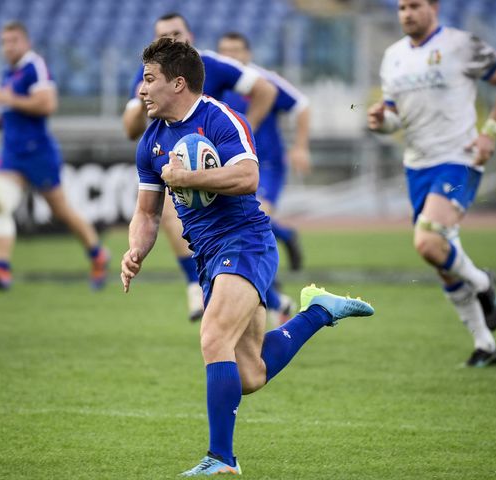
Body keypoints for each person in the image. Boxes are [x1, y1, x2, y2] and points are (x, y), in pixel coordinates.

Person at [121, 38, 374, 476]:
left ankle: (221, 459)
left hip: (245, 241)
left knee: (212, 335)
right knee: (250, 374)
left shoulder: (220, 118)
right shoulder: (151, 141)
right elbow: (147, 212)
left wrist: (190, 176)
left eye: (149, 80)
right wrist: (135, 250)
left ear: (177, 83)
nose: (141, 90)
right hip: (207, 254)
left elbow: (248, 175)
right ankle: (318, 312)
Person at [368, 0, 496, 367]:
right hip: (417, 166)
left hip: (458, 158)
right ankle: (485, 344)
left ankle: (483, 283)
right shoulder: (392, 56)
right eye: (402, 7)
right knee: (439, 258)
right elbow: (394, 118)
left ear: (434, 7)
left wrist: (490, 133)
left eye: (415, 6)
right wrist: (381, 120)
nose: (406, 13)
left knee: (427, 240)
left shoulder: (460, 44)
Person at [122, 13, 279, 322]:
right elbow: (130, 130)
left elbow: (266, 90)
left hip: (228, 189)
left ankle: (197, 287)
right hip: (204, 239)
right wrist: (136, 250)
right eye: (162, 36)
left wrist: (244, 137)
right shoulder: (148, 83)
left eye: (176, 32)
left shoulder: (214, 69)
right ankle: (305, 308)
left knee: (215, 337)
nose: (170, 39)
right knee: (250, 364)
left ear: (189, 36)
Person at [0, 21, 109, 291]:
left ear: (26, 42)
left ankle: (97, 254)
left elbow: (48, 104)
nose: (8, 46)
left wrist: (10, 101)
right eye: (4, 41)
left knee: (61, 211)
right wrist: (0, 117)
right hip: (11, 153)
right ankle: (1, 271)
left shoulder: (34, 66)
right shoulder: (6, 74)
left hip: (38, 153)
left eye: (13, 40)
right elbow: (12, 106)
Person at [218, 32, 310, 273]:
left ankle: (264, 283)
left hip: (266, 164)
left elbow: (302, 106)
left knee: (252, 217)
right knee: (240, 220)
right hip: (231, 165)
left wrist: (300, 146)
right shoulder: (217, 83)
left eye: (236, 50)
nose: (230, 56)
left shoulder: (263, 81)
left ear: (248, 54)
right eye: (225, 51)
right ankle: (286, 236)